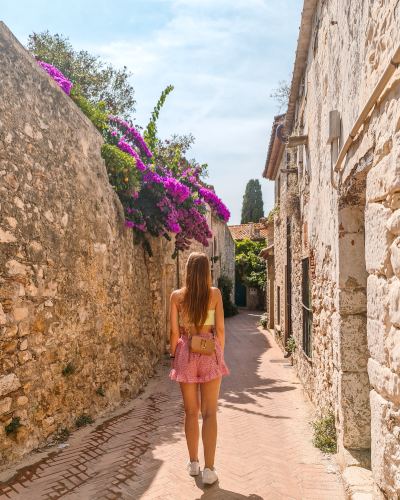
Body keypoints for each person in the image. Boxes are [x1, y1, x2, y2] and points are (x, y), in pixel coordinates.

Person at [169, 252, 230, 485]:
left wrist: (175, 356)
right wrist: (218, 354)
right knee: (210, 413)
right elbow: (221, 329)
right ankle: (209, 470)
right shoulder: (214, 294)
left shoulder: (177, 296)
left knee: (190, 412)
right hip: (208, 351)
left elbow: (175, 332)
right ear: (207, 271)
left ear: (187, 270)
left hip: (186, 350)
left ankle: (193, 463)